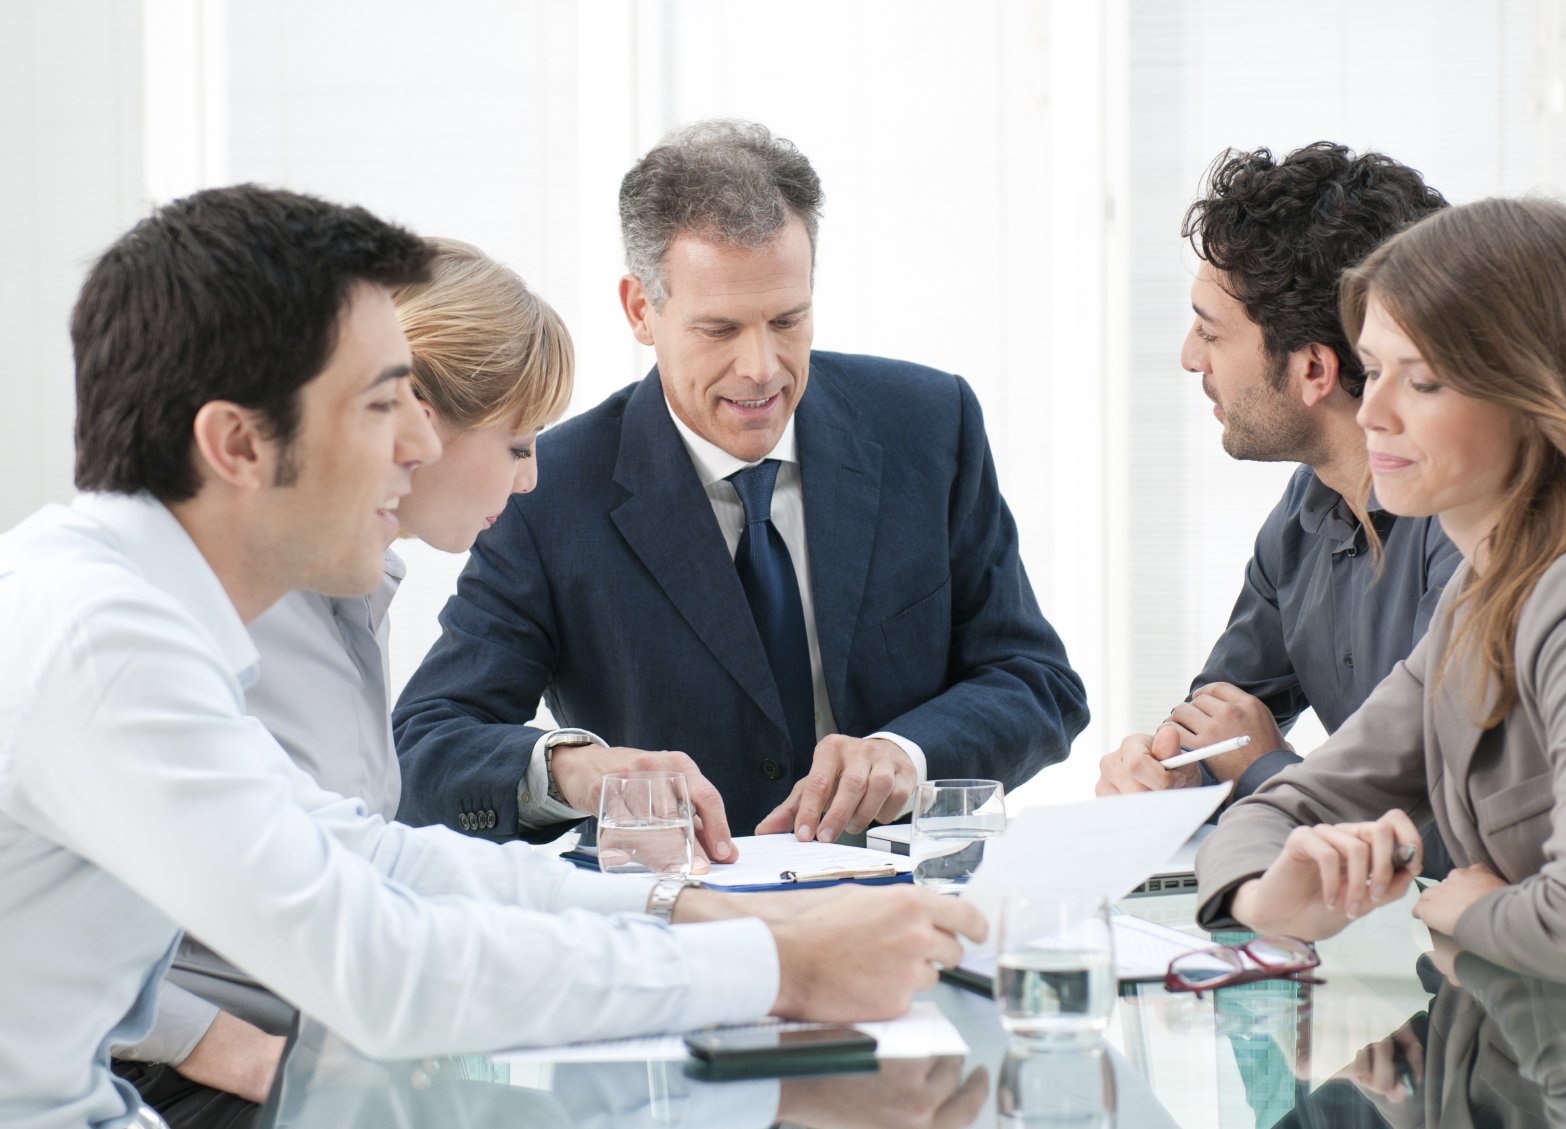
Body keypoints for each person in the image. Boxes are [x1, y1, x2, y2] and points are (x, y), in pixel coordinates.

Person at [0, 184, 985, 1129]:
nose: (420, 444)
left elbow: (376, 856)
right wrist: (782, 967)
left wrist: (699, 910)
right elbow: (389, 970)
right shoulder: (105, 643)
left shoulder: (125, 612)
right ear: (240, 446)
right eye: (386, 404)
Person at [393, 119, 1088, 850]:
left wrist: (904, 755)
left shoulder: (927, 424)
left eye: (787, 319)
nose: (761, 366)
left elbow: (1036, 682)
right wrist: (574, 768)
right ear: (640, 310)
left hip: (909, 900)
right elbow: (424, 746)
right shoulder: (549, 488)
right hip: (684, 923)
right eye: (719, 329)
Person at [1192, 197, 1566, 1014]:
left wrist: (1461, 909)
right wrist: (1265, 894)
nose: (1370, 410)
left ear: (1535, 396)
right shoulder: (1487, 589)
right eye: (1375, 367)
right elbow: (1293, 804)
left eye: (1421, 380)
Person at [109, 238, 578, 1119]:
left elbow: (361, 864)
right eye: (518, 443)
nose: (533, 478)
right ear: (417, 421)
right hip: (204, 1081)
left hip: (324, 1042)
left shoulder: (353, 593)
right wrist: (238, 1053)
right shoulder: (212, 602)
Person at [1096, 143, 1459, 807]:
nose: (1187, 357)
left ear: (1312, 370)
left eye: (1210, 333)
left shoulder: (1472, 522)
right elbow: (1221, 720)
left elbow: (1441, 803)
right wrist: (1172, 770)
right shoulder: (1307, 503)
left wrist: (1263, 769)